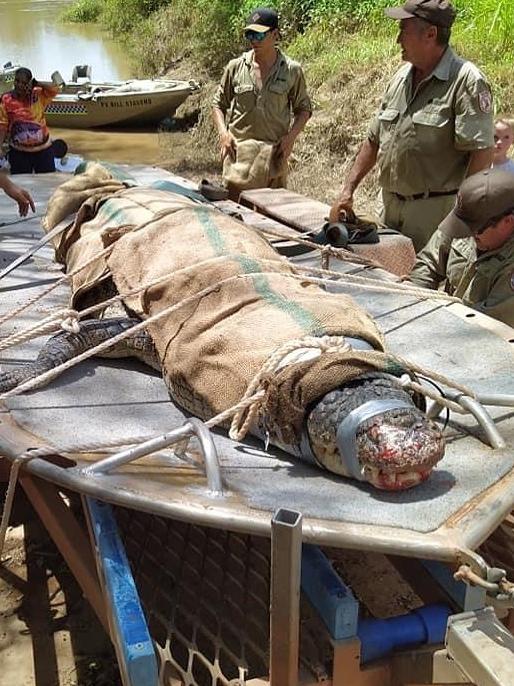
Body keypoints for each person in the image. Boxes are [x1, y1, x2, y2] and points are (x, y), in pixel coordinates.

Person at [329, 0, 494, 253]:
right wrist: (348, 189)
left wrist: (462, 216)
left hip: (434, 216)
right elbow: (374, 139)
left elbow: (481, 153)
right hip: (389, 207)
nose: (398, 40)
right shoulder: (400, 78)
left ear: (430, 34)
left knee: (422, 287)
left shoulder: (465, 81)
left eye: (403, 31)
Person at [212, 7, 312, 198]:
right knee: (235, 219)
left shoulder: (291, 70)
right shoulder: (235, 67)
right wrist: (223, 134)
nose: (253, 40)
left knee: (270, 219)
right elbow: (218, 104)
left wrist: (290, 138)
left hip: (273, 158)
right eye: (249, 34)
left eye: (259, 35)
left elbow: (304, 110)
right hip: (238, 158)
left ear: (275, 34)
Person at [409, 168, 514, 327]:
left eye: (476, 229)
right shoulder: (469, 218)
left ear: (508, 222)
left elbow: (489, 324)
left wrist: (433, 322)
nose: (469, 235)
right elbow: (428, 262)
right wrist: (413, 301)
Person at [0, 67, 59, 174]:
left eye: (24, 83)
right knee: (21, 184)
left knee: (46, 183)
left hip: (43, 150)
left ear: (29, 84)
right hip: (19, 152)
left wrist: (37, 83)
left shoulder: (38, 95)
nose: (19, 85)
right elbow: (3, 125)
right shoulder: (6, 99)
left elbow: (55, 89)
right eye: (17, 81)